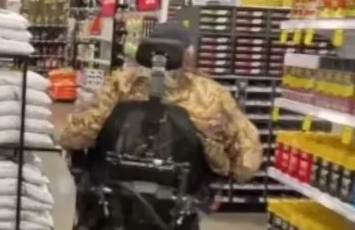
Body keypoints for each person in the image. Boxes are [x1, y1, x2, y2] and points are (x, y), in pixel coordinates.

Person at [57, 21, 262, 182]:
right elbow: (247, 166)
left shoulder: (120, 85)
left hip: (114, 191)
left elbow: (73, 137)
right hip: (185, 200)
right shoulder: (214, 95)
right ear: (189, 54)